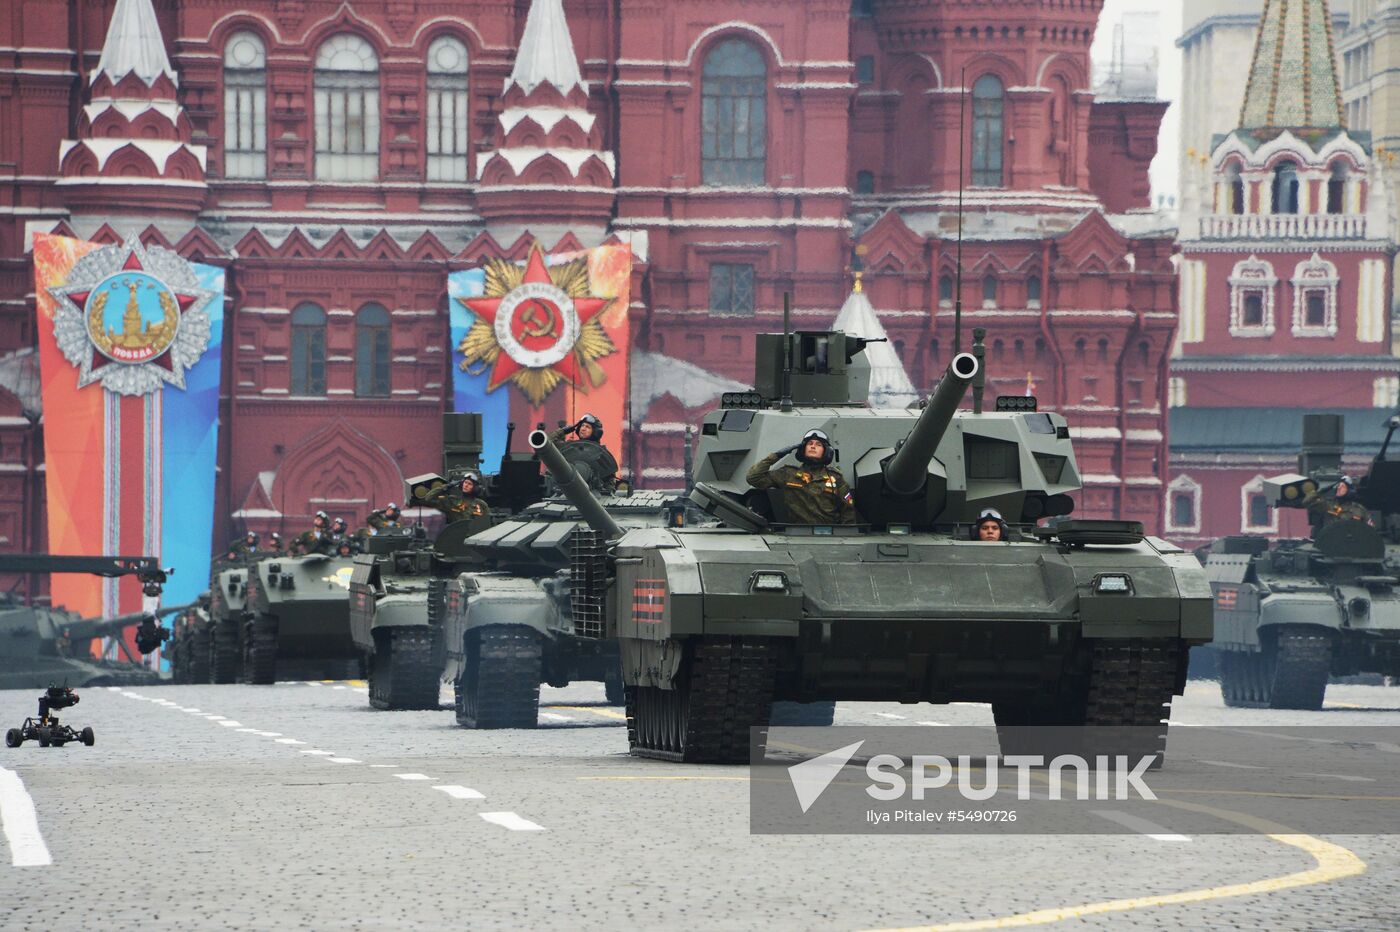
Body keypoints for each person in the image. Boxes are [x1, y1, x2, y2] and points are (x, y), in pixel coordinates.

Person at [746, 428, 857, 525]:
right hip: (798, 532)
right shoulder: (789, 473)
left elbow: (848, 511)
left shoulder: (835, 478)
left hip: (829, 533)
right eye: (810, 444)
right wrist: (777, 455)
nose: (813, 446)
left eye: (818, 445)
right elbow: (753, 478)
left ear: (826, 452)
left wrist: (845, 535)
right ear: (803, 449)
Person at [549, 414, 619, 493]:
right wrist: (563, 431)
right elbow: (545, 443)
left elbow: (609, 481)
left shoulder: (601, 455)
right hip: (565, 492)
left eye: (587, 427)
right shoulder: (569, 448)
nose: (583, 429)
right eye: (582, 426)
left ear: (595, 432)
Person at [423, 469, 493, 525]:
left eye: (470, 484)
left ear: (475, 488)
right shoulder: (452, 500)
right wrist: (446, 487)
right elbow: (428, 498)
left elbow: (489, 522)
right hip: (458, 534)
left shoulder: (481, 504)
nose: (466, 485)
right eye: (465, 482)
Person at [1303, 476, 1373, 526]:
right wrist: (1322, 491)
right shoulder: (1327, 504)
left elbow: (1370, 530)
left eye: (1342, 486)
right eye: (1338, 486)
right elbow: (1307, 502)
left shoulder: (1359, 509)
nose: (1339, 488)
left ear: (1349, 491)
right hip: (1330, 539)